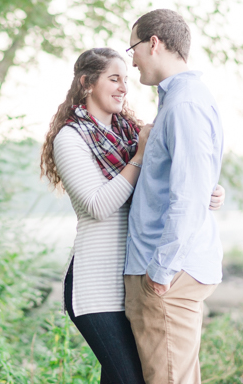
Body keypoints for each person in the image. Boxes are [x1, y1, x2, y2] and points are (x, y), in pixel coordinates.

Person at [40, 47, 225, 384]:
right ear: (86, 83)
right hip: (94, 285)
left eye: (125, 79)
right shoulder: (71, 138)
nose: (124, 87)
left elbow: (167, 184)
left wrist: (209, 192)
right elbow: (99, 205)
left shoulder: (130, 130)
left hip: (132, 280)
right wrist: (139, 154)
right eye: (114, 78)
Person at [123, 9, 225, 384]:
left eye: (133, 46)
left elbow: (189, 195)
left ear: (154, 43)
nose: (130, 58)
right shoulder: (178, 100)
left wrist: (160, 274)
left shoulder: (184, 104)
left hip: (167, 273)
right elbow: (192, 182)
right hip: (165, 269)